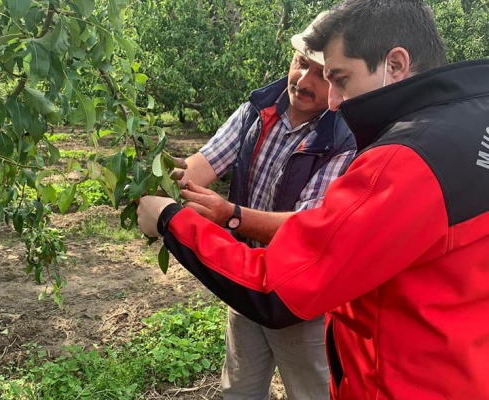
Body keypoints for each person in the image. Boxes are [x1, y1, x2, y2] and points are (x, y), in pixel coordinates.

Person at [137, 0, 489, 399]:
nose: (335, 98)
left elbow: (281, 285)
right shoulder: (474, 120)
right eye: (300, 63)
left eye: (337, 77)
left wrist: (172, 220)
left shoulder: (400, 160)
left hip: (397, 378)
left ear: (395, 64)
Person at [170, 13, 355, 400]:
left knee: (312, 392)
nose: (304, 81)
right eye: (301, 64)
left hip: (299, 295)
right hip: (247, 277)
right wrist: (157, 174)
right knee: (239, 388)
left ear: (339, 80)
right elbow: (204, 163)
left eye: (321, 74)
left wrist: (230, 215)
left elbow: (308, 225)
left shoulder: (343, 139)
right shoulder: (258, 110)